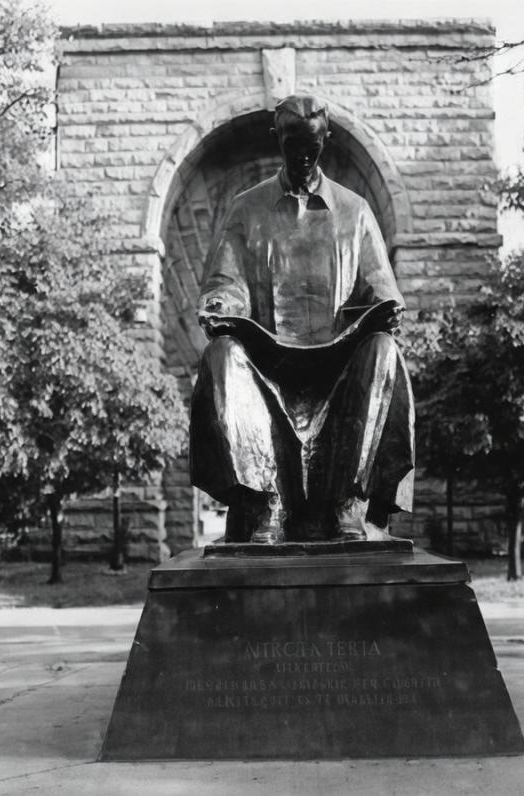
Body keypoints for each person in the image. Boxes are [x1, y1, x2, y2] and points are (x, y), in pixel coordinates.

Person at [189, 94, 414, 544]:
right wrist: (220, 308)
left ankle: (347, 503)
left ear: (325, 139)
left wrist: (385, 312)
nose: (303, 154)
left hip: (338, 372)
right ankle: (263, 504)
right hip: (267, 371)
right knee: (222, 355)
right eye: (293, 143)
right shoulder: (246, 209)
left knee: (383, 352)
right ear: (278, 140)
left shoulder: (355, 212)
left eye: (312, 144)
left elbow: (382, 289)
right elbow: (224, 285)